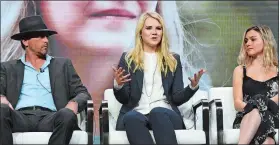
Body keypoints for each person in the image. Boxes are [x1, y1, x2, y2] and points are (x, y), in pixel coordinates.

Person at [112, 11, 205, 144]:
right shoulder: (128, 59)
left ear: (163, 33)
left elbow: (177, 97)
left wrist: (192, 87)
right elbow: (124, 99)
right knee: (131, 117)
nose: (154, 32)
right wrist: (119, 85)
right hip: (137, 113)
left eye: (158, 28)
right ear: (140, 33)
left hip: (166, 114)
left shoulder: (173, 59)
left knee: (157, 112)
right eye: (149, 28)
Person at [0, 15, 91, 145]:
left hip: (51, 117)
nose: (46, 40)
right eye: (41, 36)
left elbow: (83, 93)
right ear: (25, 41)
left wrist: (74, 103)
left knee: (67, 115)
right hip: (19, 117)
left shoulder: (63, 65)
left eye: (46, 36)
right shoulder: (7, 67)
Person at [232, 25, 279, 144]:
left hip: (273, 117)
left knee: (260, 102)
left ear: (266, 41)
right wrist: (254, 108)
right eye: (246, 41)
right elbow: (237, 103)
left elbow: (276, 102)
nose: (248, 43)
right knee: (268, 142)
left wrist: (259, 103)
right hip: (246, 118)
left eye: (253, 39)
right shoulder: (240, 70)